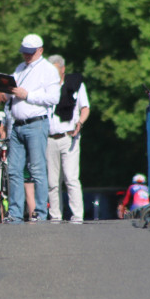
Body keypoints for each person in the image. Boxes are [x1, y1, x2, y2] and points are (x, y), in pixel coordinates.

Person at [1, 34, 60, 223]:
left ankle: (41, 212)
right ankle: (15, 213)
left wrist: (27, 95)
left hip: (36, 123)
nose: (26, 56)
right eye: (24, 52)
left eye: (30, 53)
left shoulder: (48, 70)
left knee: (37, 170)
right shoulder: (20, 68)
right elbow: (14, 92)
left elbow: (53, 98)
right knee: (14, 170)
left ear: (40, 51)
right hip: (17, 125)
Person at [46, 54, 89, 223]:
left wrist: (80, 122)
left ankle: (77, 216)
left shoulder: (76, 85)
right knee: (52, 181)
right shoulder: (44, 87)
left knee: (71, 178)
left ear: (62, 69)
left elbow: (85, 108)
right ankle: (55, 215)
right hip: (49, 138)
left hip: (69, 136)